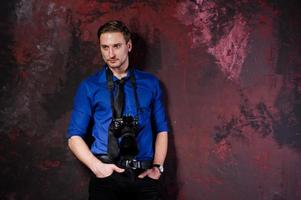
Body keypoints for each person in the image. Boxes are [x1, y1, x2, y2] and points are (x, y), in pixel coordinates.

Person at [67, 20, 169, 200]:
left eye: (116, 46)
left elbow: (162, 129)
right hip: (107, 175)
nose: (111, 54)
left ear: (128, 46)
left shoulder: (151, 83)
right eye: (105, 47)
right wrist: (97, 167)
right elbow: (74, 136)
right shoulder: (89, 86)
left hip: (144, 175)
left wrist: (158, 167)